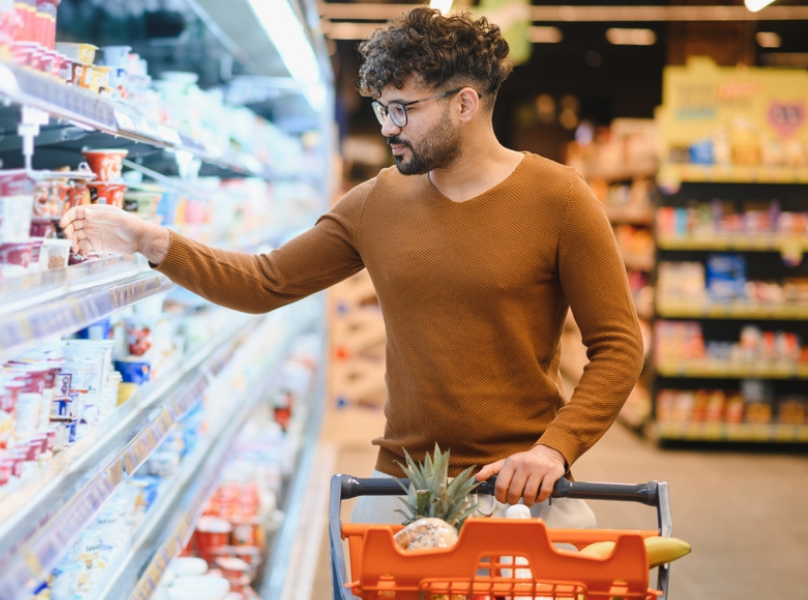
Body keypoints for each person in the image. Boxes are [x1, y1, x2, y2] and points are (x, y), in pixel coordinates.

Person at [60, 7, 643, 527]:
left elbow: (618, 344)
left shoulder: (559, 199)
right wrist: (150, 239)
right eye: (379, 107)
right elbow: (265, 282)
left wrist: (555, 449)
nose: (386, 126)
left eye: (401, 109)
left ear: (465, 103)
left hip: (521, 490)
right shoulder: (376, 202)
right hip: (401, 489)